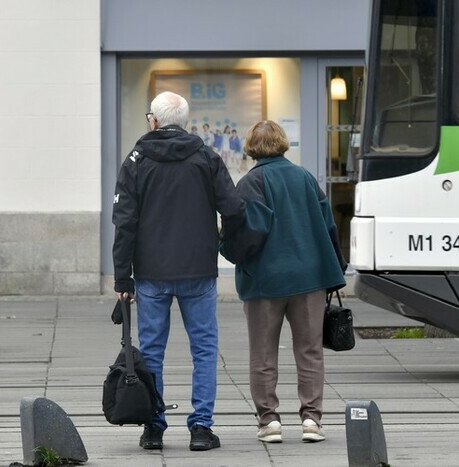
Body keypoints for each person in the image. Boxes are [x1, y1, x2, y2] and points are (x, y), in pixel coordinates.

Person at [112, 91, 244, 452]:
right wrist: (220, 243)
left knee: (152, 350)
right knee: (204, 348)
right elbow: (233, 208)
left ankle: (153, 427)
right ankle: (201, 427)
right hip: (199, 270)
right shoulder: (205, 156)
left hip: (152, 272)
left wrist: (123, 277)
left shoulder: (137, 161)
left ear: (153, 121)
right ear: (184, 122)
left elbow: (124, 222)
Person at [219, 120, 347, 444]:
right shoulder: (304, 177)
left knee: (263, 355)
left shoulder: (251, 182)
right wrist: (336, 269)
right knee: (310, 351)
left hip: (265, 282)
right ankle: (312, 419)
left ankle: (269, 420)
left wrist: (225, 246)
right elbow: (328, 224)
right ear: (282, 143)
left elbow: (247, 233)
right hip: (309, 280)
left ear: (250, 147)